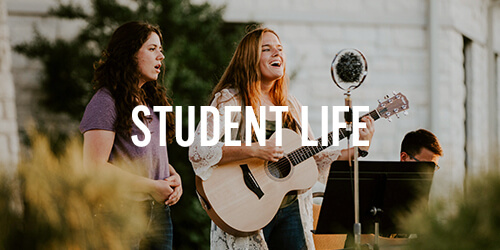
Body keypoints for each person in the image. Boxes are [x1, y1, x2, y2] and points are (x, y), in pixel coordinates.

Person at [188, 27, 375, 250]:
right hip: (246, 208)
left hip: (291, 209)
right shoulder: (229, 100)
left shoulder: (291, 105)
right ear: (249, 59)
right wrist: (255, 150)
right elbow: (199, 150)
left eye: (280, 49)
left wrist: (360, 148)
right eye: (267, 49)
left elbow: (313, 158)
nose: (277, 54)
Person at [79, 21, 182, 249]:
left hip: (159, 215)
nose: (161, 57)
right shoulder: (105, 102)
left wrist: (173, 177)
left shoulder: (150, 101)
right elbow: (95, 167)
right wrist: (152, 187)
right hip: (120, 212)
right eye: (152, 49)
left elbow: (147, 155)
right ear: (129, 54)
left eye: (161, 49)